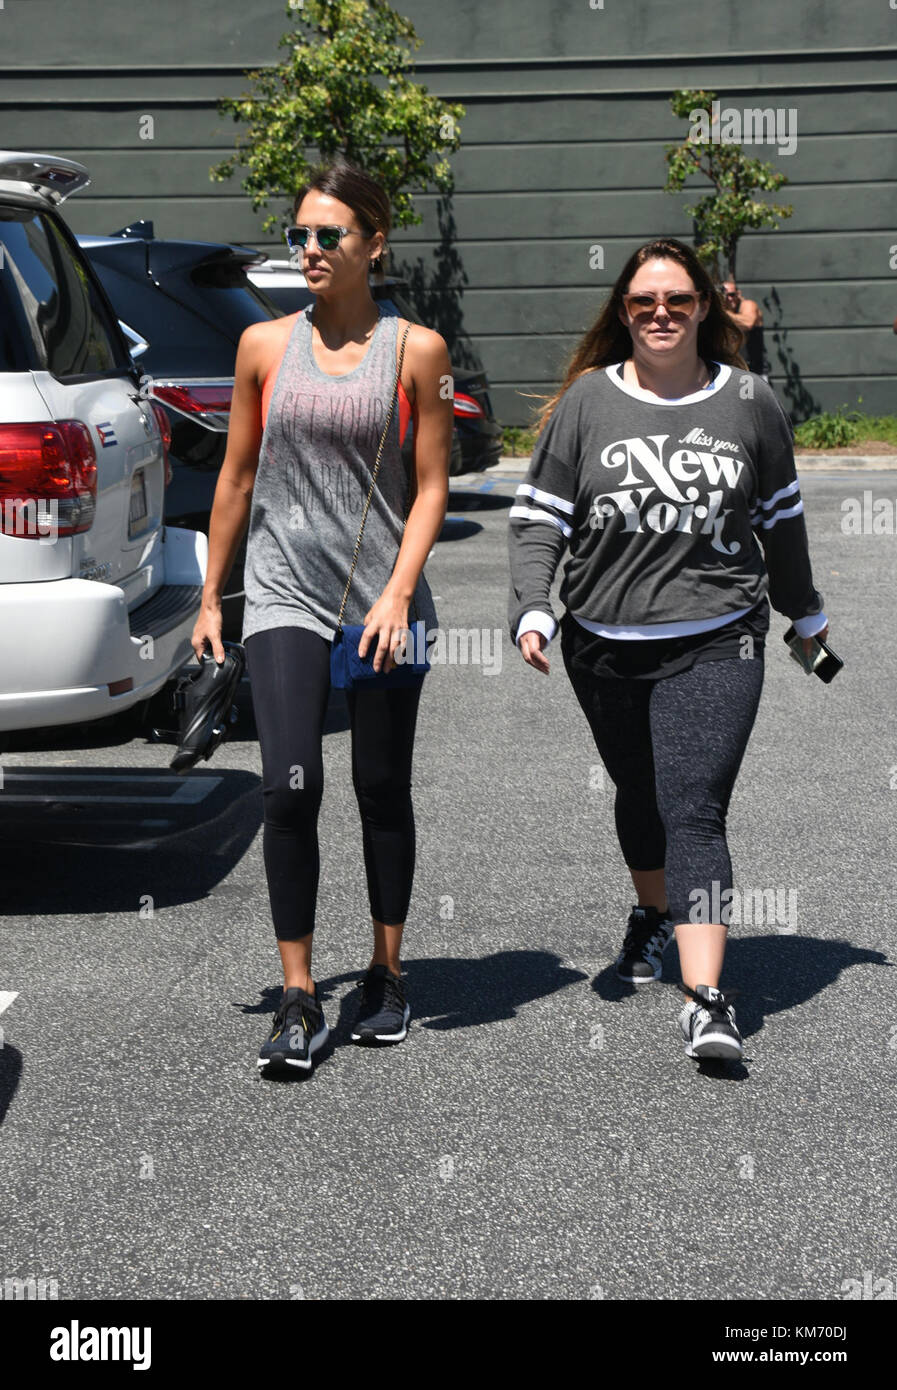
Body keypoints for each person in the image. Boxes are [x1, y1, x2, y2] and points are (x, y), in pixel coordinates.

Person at [509, 237, 828, 1062]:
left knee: (695, 806)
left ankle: (706, 997)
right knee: (639, 791)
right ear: (622, 310)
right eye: (644, 302)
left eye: (677, 301)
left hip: (719, 636)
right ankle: (652, 913)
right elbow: (541, 518)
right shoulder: (587, 402)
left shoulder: (748, 401)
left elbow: (780, 521)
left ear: (704, 310)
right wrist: (530, 610)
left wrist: (804, 614)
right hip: (602, 643)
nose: (660, 314)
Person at [192, 161, 452, 1073]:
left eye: (327, 235)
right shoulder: (264, 346)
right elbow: (235, 477)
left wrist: (395, 589)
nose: (307, 249)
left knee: (381, 788)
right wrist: (208, 596)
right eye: (299, 234)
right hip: (282, 594)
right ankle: (299, 994)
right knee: (289, 785)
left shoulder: (415, 349)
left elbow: (429, 488)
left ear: (373, 244)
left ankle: (385, 973)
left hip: (385, 600)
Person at [721, 279, 766, 378]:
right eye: (726, 295)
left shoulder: (747, 305)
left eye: (732, 295)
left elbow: (748, 323)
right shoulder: (722, 312)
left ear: (738, 293)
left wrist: (723, 312)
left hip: (754, 371)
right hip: (733, 370)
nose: (729, 299)